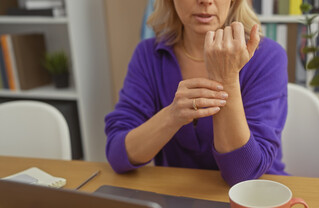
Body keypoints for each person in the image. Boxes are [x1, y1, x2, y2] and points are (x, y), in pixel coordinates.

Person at [104, 0, 288, 186]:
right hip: (180, 201)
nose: (205, 1)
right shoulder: (148, 55)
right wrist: (172, 116)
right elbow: (118, 154)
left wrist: (227, 79)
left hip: (258, 198)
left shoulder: (268, 56)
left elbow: (243, 174)